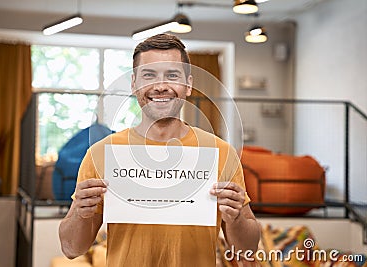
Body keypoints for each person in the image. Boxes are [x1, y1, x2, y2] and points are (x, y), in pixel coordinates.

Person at [59, 33, 261, 266]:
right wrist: (80, 212)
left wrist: (235, 219)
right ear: (134, 84)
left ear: (188, 85)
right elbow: (71, 248)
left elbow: (247, 251)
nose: (161, 86)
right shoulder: (101, 154)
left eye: (172, 75)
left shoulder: (221, 153)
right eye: (149, 75)